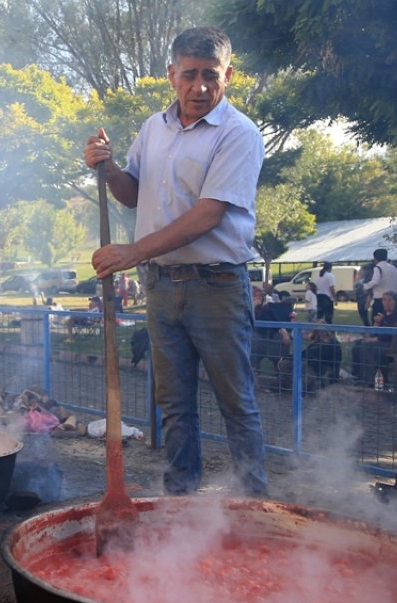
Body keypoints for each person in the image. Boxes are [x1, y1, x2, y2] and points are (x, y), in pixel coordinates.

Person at [85, 26, 268, 496]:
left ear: (229, 74)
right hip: (161, 286)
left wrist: (132, 252)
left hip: (217, 285)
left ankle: (252, 504)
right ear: (172, 75)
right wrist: (106, 168)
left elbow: (209, 215)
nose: (200, 86)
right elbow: (131, 194)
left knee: (236, 402)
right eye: (190, 74)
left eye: (211, 75)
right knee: (174, 402)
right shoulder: (153, 128)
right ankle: (181, 496)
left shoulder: (238, 133)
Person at [352, 291, 397, 385]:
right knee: (357, 345)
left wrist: (371, 340)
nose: (386, 302)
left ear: (396, 302)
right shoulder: (386, 314)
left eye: (390, 300)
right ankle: (357, 375)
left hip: (393, 345)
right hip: (385, 342)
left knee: (365, 348)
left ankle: (370, 380)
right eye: (384, 300)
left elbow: (387, 335)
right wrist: (377, 324)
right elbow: (377, 332)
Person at [363, 249, 397, 320]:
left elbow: (375, 281)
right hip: (394, 298)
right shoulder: (393, 267)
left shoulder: (378, 268)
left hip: (381, 299)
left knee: (378, 320)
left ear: (375, 258)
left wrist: (366, 286)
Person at [355, 261, 376, 325]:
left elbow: (369, 291)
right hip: (360, 298)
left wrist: (367, 301)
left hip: (364, 298)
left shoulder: (369, 279)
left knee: (363, 313)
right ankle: (366, 325)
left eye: (363, 270)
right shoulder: (363, 278)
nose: (362, 272)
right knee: (362, 313)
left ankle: (367, 327)